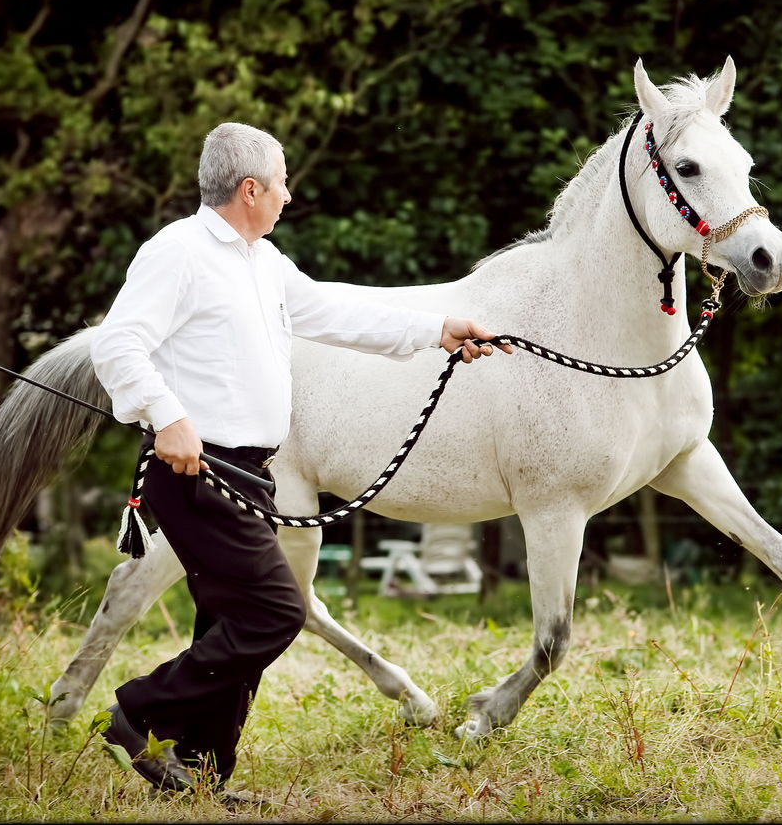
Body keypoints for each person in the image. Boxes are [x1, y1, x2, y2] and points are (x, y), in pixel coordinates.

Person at [89, 122, 510, 803]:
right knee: (275, 612)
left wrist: (438, 330)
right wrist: (165, 415)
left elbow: (340, 313)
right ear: (250, 188)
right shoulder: (178, 253)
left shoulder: (265, 262)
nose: (290, 193)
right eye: (283, 180)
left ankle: (196, 775)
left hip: (249, 469)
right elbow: (117, 346)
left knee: (228, 621)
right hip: (197, 472)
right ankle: (139, 709)